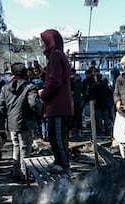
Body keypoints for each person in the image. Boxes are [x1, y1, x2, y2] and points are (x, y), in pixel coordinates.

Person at [0, 63, 42, 182]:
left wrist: (9, 114)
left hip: (12, 123)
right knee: (25, 149)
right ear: (25, 73)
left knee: (16, 147)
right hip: (26, 122)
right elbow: (34, 104)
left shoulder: (5, 87)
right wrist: (39, 111)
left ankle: (16, 173)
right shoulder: (30, 87)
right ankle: (25, 174)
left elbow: (0, 106)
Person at [39, 29, 74, 174]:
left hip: (57, 105)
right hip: (61, 104)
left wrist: (43, 95)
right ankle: (60, 161)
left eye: (43, 42)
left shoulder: (55, 56)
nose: (42, 45)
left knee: (57, 136)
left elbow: (54, 82)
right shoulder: (59, 55)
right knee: (58, 135)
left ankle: (63, 163)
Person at [70, 68, 83, 138]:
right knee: (79, 117)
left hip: (72, 101)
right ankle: (79, 132)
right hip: (79, 100)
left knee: (71, 117)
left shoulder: (71, 81)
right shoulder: (80, 80)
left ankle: (70, 133)